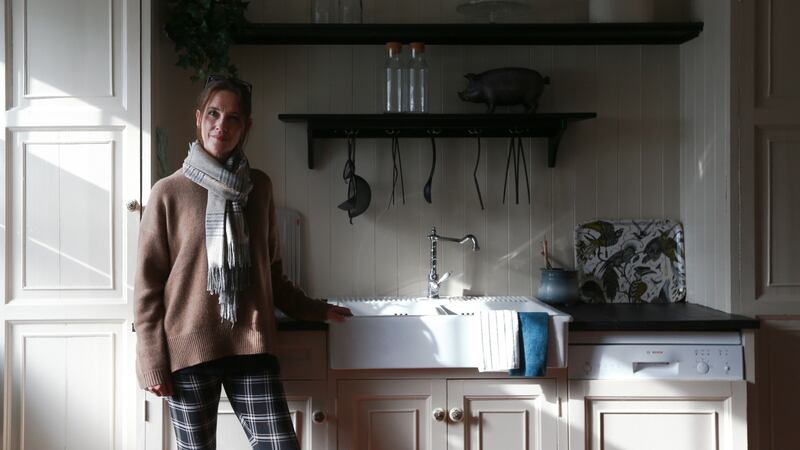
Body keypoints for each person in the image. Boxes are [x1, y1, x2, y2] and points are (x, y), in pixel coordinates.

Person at [134, 75, 352, 450]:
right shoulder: (167, 192)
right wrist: (151, 360)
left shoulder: (259, 188)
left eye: (233, 118)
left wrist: (314, 309)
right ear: (199, 118)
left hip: (249, 343)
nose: (222, 125)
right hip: (188, 350)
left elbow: (272, 274)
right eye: (214, 114)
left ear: (246, 127)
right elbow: (147, 288)